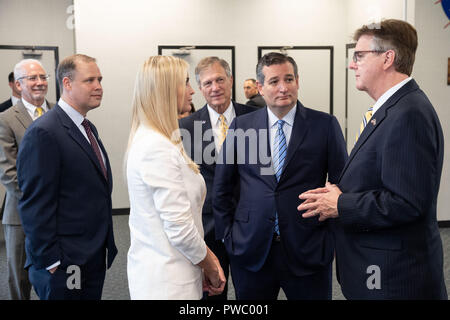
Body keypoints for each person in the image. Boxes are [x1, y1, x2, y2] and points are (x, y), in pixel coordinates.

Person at [298, 19, 448, 300]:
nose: (351, 65)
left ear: (387, 58)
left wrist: (340, 203)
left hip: (395, 279)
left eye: (359, 56)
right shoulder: (394, 108)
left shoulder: (408, 114)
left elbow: (407, 203)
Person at [213, 52, 347, 300]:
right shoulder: (242, 126)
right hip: (250, 249)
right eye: (274, 82)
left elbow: (343, 185)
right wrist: (228, 237)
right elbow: (222, 187)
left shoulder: (325, 125)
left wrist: (333, 239)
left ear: (297, 81)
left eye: (289, 79)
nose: (283, 88)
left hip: (309, 248)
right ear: (261, 88)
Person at [16, 54, 117, 300]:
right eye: (90, 80)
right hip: (64, 263)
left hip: (91, 254)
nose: (98, 87)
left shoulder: (86, 127)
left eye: (100, 79)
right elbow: (34, 205)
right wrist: (51, 262)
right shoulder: (44, 132)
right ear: (67, 84)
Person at [126, 55, 226, 300]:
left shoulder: (159, 139)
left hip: (176, 269)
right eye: (186, 83)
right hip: (167, 281)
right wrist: (211, 265)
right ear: (167, 90)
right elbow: (180, 230)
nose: (193, 91)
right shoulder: (155, 147)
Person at [179, 56, 256, 300]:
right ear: (200, 88)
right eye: (208, 83)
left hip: (250, 225)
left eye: (220, 80)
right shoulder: (186, 128)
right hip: (208, 228)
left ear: (230, 80)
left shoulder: (257, 119)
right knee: (212, 296)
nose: (215, 88)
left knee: (252, 294)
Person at [0, 59, 54, 300]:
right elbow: (8, 172)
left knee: (55, 275)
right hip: (22, 214)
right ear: (18, 85)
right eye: (32, 78)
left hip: (59, 213)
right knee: (20, 279)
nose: (39, 83)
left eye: (43, 77)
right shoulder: (6, 119)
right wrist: (39, 203)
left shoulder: (59, 112)